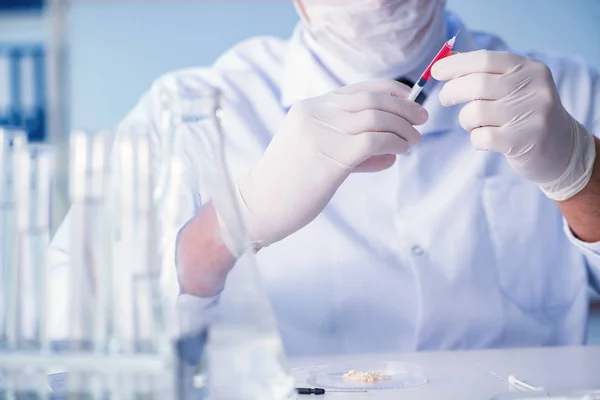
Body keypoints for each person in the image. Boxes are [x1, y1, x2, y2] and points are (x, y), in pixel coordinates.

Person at [49, 0, 600, 357]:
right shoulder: (191, 109)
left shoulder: (566, 90)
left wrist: (580, 170)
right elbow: (61, 320)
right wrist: (230, 222)